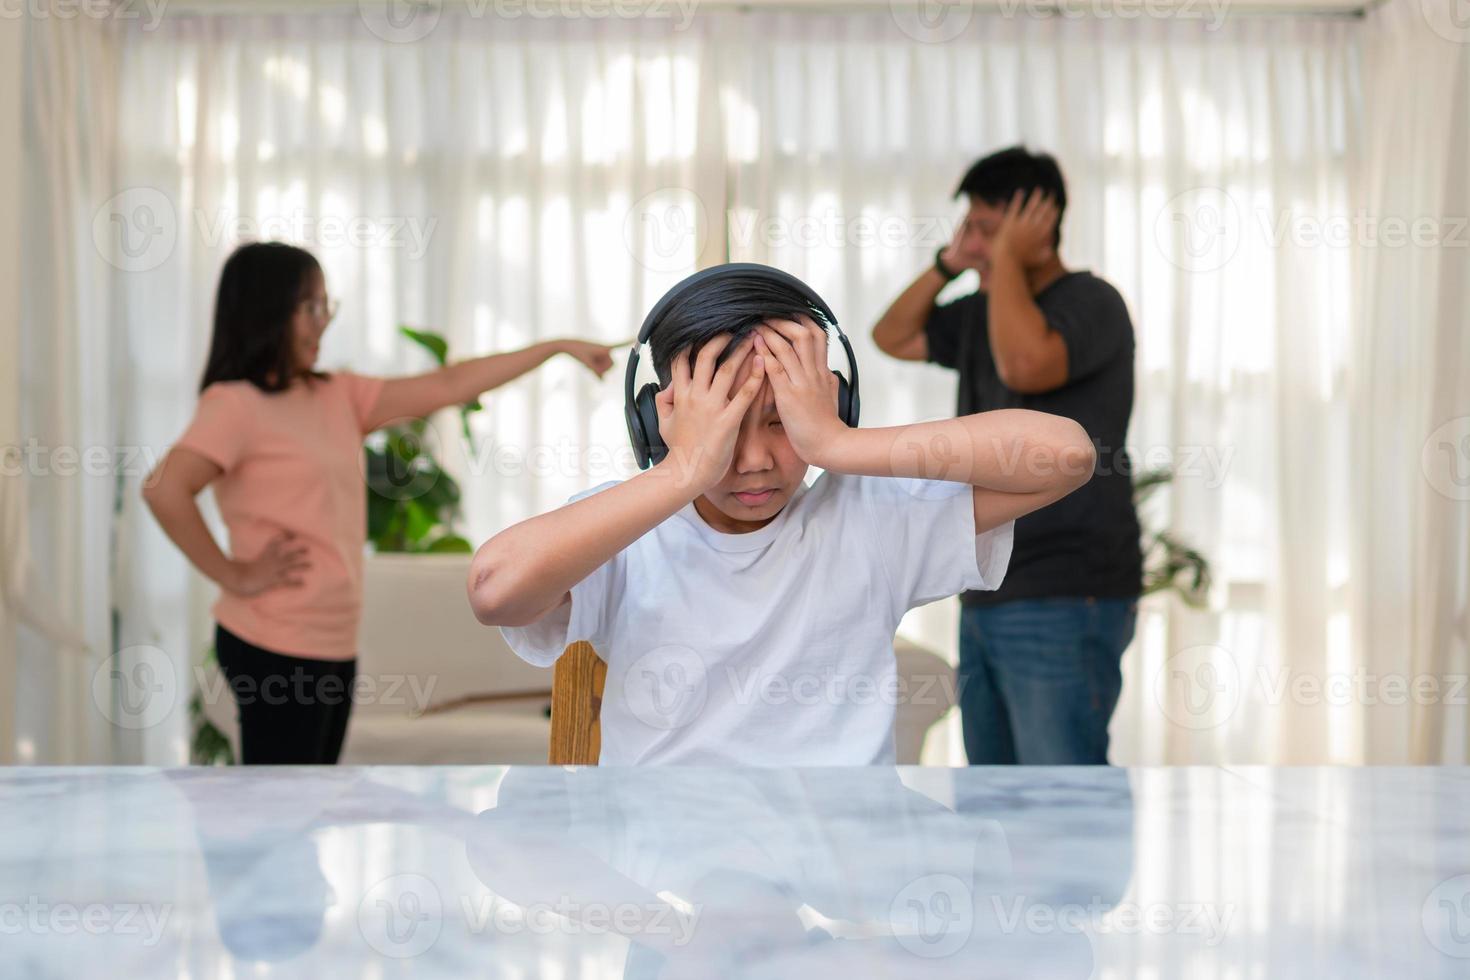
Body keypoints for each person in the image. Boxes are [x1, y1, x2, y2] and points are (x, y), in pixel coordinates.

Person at [468, 263, 1096, 765]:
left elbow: (1065, 455)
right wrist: (684, 470)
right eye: (725, 430)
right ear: (659, 418)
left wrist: (837, 445)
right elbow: (495, 590)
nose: (755, 461)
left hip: (839, 868)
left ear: (834, 403)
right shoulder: (625, 532)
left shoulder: (871, 519)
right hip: (669, 869)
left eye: (781, 424)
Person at [144, 241, 617, 764]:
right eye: (311, 307)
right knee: (276, 821)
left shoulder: (338, 395)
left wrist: (555, 347)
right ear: (266, 310)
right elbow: (164, 488)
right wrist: (235, 575)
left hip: (333, 643)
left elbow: (450, 383)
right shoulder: (233, 405)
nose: (323, 321)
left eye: (328, 305)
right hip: (270, 644)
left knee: (307, 811)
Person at [871, 146, 1143, 765]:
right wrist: (948, 265)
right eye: (973, 229)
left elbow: (1027, 362)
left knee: (1060, 794)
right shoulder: (980, 314)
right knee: (993, 800)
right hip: (989, 583)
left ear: (1039, 228)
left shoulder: (1091, 302)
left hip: (1068, 590)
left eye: (990, 230)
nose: (978, 245)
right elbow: (894, 336)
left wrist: (1009, 262)